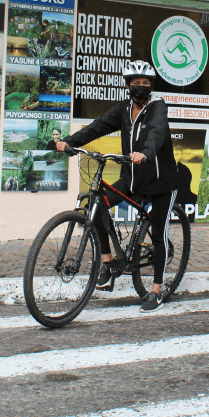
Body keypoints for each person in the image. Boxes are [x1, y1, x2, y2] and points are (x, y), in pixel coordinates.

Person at [55, 60, 179, 313]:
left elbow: (156, 132)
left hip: (161, 182)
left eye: (146, 84)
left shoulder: (158, 108)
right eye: (136, 84)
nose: (141, 88)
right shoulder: (123, 110)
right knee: (96, 205)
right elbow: (98, 126)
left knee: (157, 235)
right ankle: (108, 262)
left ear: (151, 86)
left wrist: (145, 153)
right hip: (132, 178)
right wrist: (69, 142)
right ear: (127, 85)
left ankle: (156, 291)